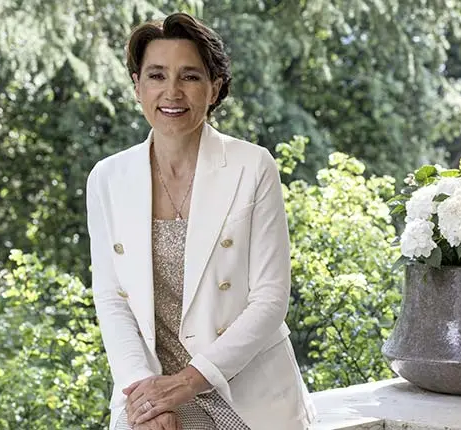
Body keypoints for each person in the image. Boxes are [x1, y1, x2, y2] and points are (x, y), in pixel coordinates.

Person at [85, 12, 317, 430]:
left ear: (214, 88)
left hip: (246, 390)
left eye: (190, 76)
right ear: (137, 86)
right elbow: (112, 299)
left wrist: (188, 383)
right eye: (156, 75)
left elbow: (270, 299)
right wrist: (145, 397)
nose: (172, 92)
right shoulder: (107, 178)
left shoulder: (252, 166)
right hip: (154, 387)